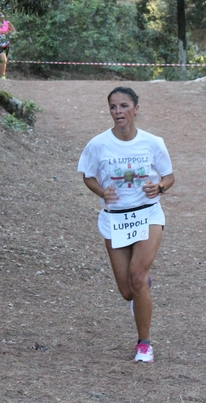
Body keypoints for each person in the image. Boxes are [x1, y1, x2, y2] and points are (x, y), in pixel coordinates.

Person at [77, 86, 175, 363]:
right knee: (126, 291)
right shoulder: (98, 144)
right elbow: (88, 175)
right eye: (113, 107)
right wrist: (101, 192)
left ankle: (144, 344)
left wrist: (159, 187)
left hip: (148, 214)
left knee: (137, 277)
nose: (118, 111)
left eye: (123, 106)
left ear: (136, 108)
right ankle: (141, 286)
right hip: (115, 219)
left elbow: (169, 176)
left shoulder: (153, 142)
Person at [0, 13, 15, 79]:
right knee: (3, 59)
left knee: (5, 61)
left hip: (5, 44)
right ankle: (2, 75)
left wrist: (10, 34)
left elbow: (14, 31)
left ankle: (2, 75)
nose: (1, 18)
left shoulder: (6, 23)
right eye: (0, 17)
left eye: (2, 17)